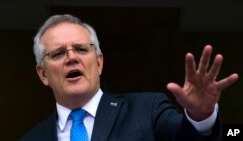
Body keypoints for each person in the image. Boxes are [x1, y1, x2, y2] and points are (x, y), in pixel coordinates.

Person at [20, 14, 239, 141]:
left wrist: (200, 117)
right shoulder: (31, 138)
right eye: (58, 53)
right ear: (43, 74)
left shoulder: (147, 109)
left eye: (81, 49)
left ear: (99, 62)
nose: (71, 58)